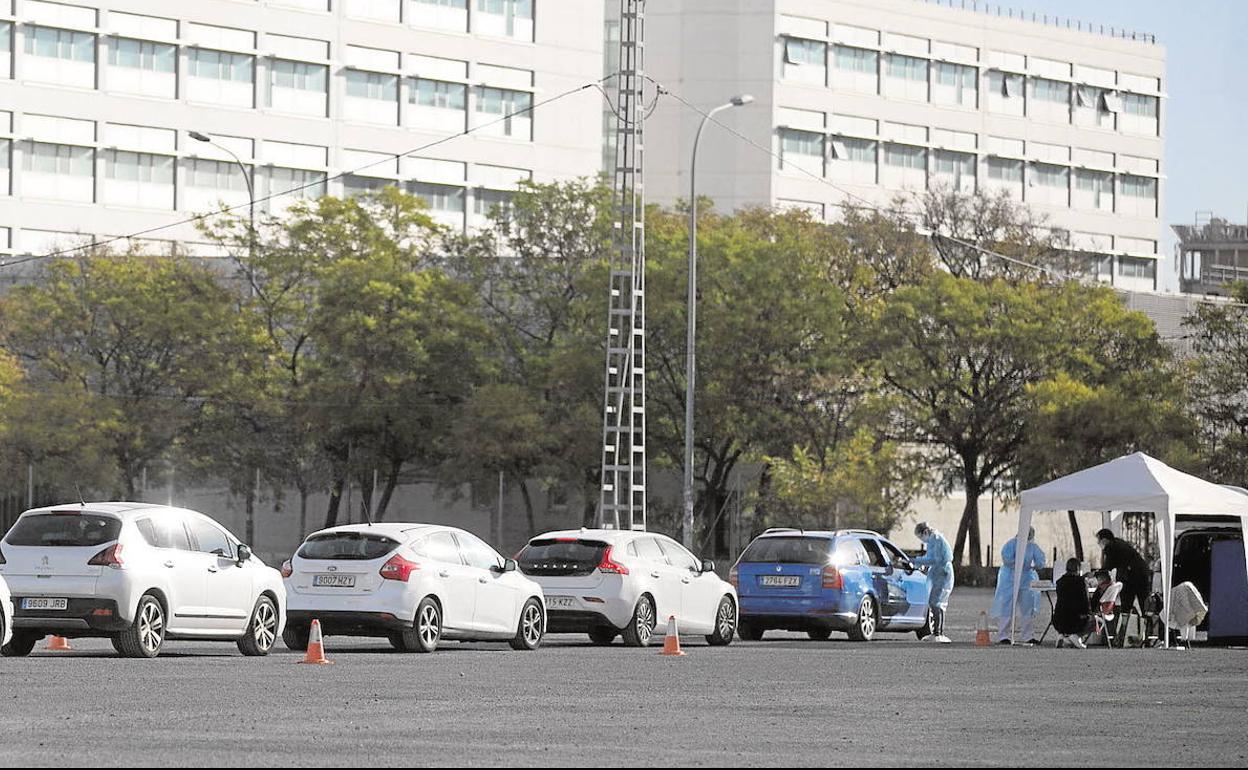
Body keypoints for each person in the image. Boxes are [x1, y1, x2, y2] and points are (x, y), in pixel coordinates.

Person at [990, 527, 1046, 646]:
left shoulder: (1032, 547)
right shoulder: (1011, 544)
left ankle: (1028, 636)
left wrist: (1034, 566)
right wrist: (1019, 564)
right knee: (1007, 607)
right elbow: (1007, 559)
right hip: (1010, 578)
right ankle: (1004, 636)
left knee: (1027, 608)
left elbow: (1041, 561)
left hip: (1026, 579)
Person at [911, 521, 954, 644]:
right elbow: (930, 558)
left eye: (920, 536)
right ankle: (936, 632)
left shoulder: (937, 540)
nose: (922, 540)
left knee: (937, 603)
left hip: (943, 573)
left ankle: (938, 633)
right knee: (935, 602)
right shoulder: (932, 541)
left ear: (925, 532)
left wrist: (916, 560)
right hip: (938, 572)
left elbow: (934, 559)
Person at [1096, 529, 1151, 619]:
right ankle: (1147, 625)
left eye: (1099, 540)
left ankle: (1126, 624)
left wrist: (1096, 576)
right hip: (1142, 574)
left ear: (1104, 540)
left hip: (1131, 577)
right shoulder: (1118, 543)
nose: (1098, 543)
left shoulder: (1111, 547)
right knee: (1143, 604)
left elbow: (1108, 566)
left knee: (1126, 605)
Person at [1052, 558, 1092, 648]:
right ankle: (1077, 636)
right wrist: (1088, 613)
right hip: (1076, 620)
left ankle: (1062, 636)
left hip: (1058, 620)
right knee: (1096, 621)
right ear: (1078, 569)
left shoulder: (1060, 582)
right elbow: (1085, 602)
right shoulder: (1081, 582)